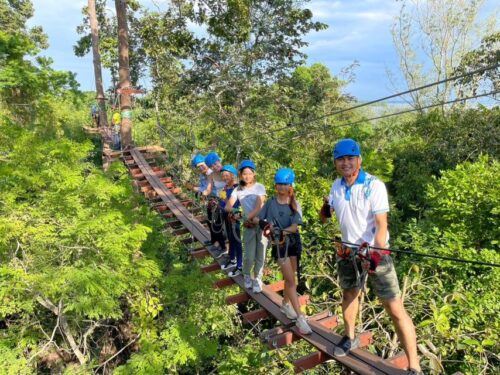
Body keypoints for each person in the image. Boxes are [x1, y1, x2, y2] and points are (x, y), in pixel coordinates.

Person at [320, 138, 421, 374]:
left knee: (394, 307)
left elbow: (381, 224)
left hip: (375, 251)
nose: (345, 163)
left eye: (350, 158)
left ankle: (414, 365)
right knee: (349, 294)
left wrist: (375, 254)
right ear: (336, 163)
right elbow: (325, 216)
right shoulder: (336, 186)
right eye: (340, 159)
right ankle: (349, 336)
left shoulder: (373, 185)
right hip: (348, 250)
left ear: (359, 160)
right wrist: (325, 208)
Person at [257, 168, 312, 335]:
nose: (281, 187)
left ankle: (285, 305)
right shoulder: (271, 203)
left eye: (285, 184)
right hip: (280, 246)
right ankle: (300, 318)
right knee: (290, 280)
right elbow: (260, 218)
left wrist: (281, 231)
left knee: (292, 277)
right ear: (275, 185)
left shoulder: (294, 204)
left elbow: (295, 226)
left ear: (290, 186)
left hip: (293, 242)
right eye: (279, 184)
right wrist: (266, 227)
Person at [225, 160, 268, 293]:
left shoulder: (259, 187)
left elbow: (259, 205)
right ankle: (247, 275)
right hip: (248, 225)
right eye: (244, 174)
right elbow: (228, 206)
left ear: (254, 174)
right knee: (249, 256)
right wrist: (236, 213)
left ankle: (257, 278)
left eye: (250, 173)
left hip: (260, 223)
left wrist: (247, 218)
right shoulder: (237, 190)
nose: (247, 176)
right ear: (240, 174)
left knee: (260, 254)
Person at [219, 165, 243, 277]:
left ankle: (239, 265)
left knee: (237, 241)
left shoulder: (237, 188)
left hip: (235, 218)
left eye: (227, 175)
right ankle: (232, 259)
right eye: (223, 175)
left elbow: (236, 205)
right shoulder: (225, 188)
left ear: (232, 176)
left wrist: (225, 199)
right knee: (231, 238)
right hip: (227, 217)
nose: (225, 177)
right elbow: (223, 205)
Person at [203, 152, 227, 256]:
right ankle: (215, 242)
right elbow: (209, 188)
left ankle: (222, 246)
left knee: (217, 222)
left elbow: (231, 186)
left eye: (216, 164)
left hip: (227, 200)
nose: (215, 167)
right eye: (212, 166)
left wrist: (222, 197)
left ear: (220, 162)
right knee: (210, 219)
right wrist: (204, 193)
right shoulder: (211, 174)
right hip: (217, 199)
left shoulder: (227, 172)